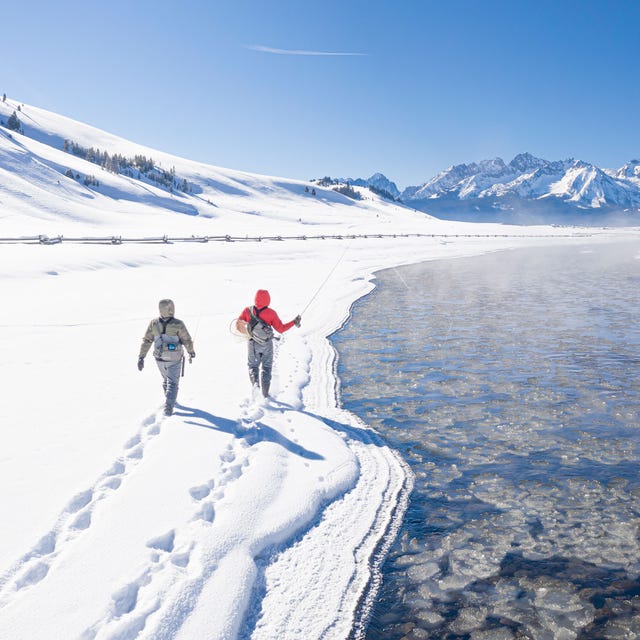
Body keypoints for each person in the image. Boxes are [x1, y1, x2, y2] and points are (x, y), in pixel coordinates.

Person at [237, 289, 301, 398]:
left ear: (255, 298)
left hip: (252, 343)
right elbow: (281, 329)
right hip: (266, 344)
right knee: (266, 367)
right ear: (268, 299)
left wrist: (249, 332)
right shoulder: (271, 313)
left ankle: (255, 386)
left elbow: (238, 325)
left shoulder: (247, 311)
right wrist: (294, 322)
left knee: (253, 366)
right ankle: (265, 394)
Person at [137, 299, 195, 416]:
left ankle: (170, 400)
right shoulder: (178, 324)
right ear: (171, 309)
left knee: (166, 380)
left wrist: (141, 357)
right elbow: (186, 339)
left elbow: (147, 340)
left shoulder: (154, 323)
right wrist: (191, 351)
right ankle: (168, 408)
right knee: (173, 383)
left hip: (159, 358)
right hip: (174, 358)